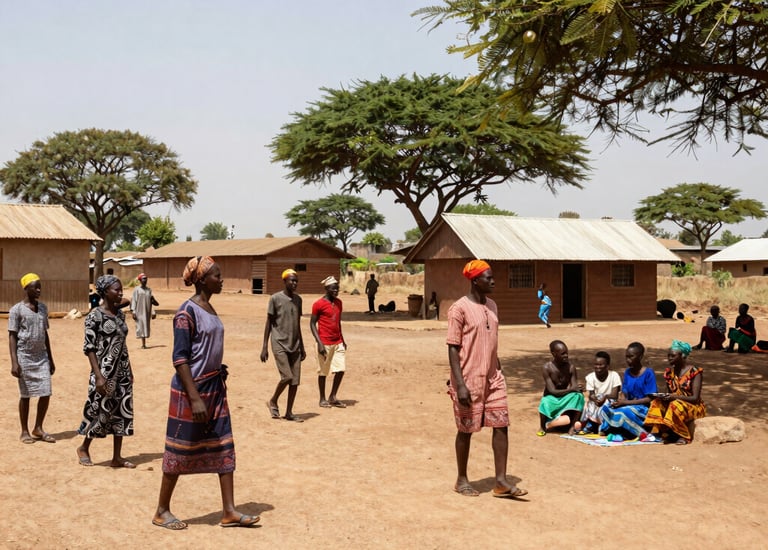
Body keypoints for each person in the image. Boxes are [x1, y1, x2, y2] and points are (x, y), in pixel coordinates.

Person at [153, 256, 258, 530]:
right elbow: (180, 359)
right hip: (192, 391)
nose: (221, 280)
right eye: (216, 275)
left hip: (214, 388)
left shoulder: (209, 308)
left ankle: (229, 511)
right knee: (179, 449)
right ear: (201, 280)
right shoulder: (185, 313)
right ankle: (162, 511)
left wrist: (217, 370)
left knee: (224, 445)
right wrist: (195, 398)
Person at [446, 259, 527, 498]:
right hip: (468, 378)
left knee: (501, 425)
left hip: (493, 377)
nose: (493, 281)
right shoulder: (458, 309)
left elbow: (491, 340)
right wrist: (460, 384)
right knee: (466, 429)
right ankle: (461, 479)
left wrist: (497, 366)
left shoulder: (492, 306)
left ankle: (501, 481)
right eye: (488, 278)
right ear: (475, 280)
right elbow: (452, 348)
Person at [76, 274, 135, 468]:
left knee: (121, 411)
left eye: (121, 289)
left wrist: (129, 369)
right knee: (99, 410)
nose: (120, 292)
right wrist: (99, 376)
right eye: (116, 289)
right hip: (103, 371)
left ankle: (117, 457)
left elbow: (122, 344)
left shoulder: (119, 315)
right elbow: (89, 348)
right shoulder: (94, 316)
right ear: (104, 292)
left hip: (122, 370)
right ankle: (83, 447)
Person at [9, 273, 56, 444]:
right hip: (24, 357)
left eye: (40, 287)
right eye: (35, 287)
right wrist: (14, 362)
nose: (39, 290)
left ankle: (38, 428)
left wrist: (50, 358)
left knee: (46, 392)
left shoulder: (43, 308)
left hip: (41, 357)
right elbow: (12, 336)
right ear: (26, 288)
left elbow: (45, 334)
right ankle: (24, 431)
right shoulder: (16, 310)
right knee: (26, 395)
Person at [261, 268, 306, 422]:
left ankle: (289, 412)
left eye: (296, 281)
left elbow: (297, 324)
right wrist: (264, 346)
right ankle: (273, 401)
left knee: (295, 381)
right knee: (287, 376)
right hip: (279, 342)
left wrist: (302, 347)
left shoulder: (298, 300)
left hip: (295, 344)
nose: (294, 283)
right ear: (284, 281)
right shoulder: (275, 298)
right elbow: (269, 323)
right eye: (292, 280)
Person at [644, 340, 706, 444]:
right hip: (676, 403)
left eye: (673, 356)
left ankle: (683, 435)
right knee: (656, 403)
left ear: (683, 356)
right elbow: (669, 393)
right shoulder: (669, 373)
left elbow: (695, 398)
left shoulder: (695, 372)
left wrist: (674, 397)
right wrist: (663, 397)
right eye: (669, 355)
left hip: (694, 406)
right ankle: (660, 431)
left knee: (675, 405)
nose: (669, 358)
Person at [597, 342, 657, 438]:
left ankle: (641, 432)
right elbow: (624, 394)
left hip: (643, 409)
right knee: (606, 408)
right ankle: (621, 429)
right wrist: (619, 402)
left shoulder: (648, 373)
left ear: (640, 357)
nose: (628, 360)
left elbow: (650, 398)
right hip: (628, 405)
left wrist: (626, 403)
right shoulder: (627, 372)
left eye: (631, 357)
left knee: (624, 412)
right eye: (627, 357)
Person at [310, 276, 348, 408]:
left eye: (337, 288)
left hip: (337, 342)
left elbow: (338, 322)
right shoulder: (318, 304)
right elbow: (312, 324)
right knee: (323, 372)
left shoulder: (339, 303)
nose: (336, 291)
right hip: (324, 342)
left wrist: (342, 339)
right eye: (333, 289)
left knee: (341, 369)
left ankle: (333, 396)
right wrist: (319, 343)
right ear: (326, 289)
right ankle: (322, 398)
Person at [537, 340, 585, 436]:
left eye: (566, 353)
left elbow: (574, 387)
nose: (566, 356)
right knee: (545, 401)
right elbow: (552, 391)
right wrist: (572, 389)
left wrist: (577, 389)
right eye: (563, 354)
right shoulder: (547, 368)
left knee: (579, 396)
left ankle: (572, 426)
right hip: (551, 398)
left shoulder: (571, 367)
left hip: (564, 397)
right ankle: (542, 426)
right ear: (554, 354)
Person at [579, 351, 621, 434]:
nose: (598, 367)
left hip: (609, 401)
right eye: (596, 364)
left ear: (607, 366)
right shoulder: (590, 377)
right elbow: (591, 395)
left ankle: (601, 425)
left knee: (607, 405)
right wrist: (595, 399)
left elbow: (614, 395)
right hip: (597, 402)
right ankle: (592, 423)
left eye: (601, 365)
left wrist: (604, 397)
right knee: (589, 403)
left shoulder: (614, 376)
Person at [130, 273, 159, 349]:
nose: (145, 280)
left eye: (146, 279)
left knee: (145, 326)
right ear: (140, 280)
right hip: (139, 311)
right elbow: (134, 301)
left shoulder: (149, 290)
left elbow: (152, 302)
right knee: (140, 326)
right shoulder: (136, 290)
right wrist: (133, 311)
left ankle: (144, 343)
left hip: (147, 311)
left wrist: (153, 312)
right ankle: (143, 344)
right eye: (143, 279)